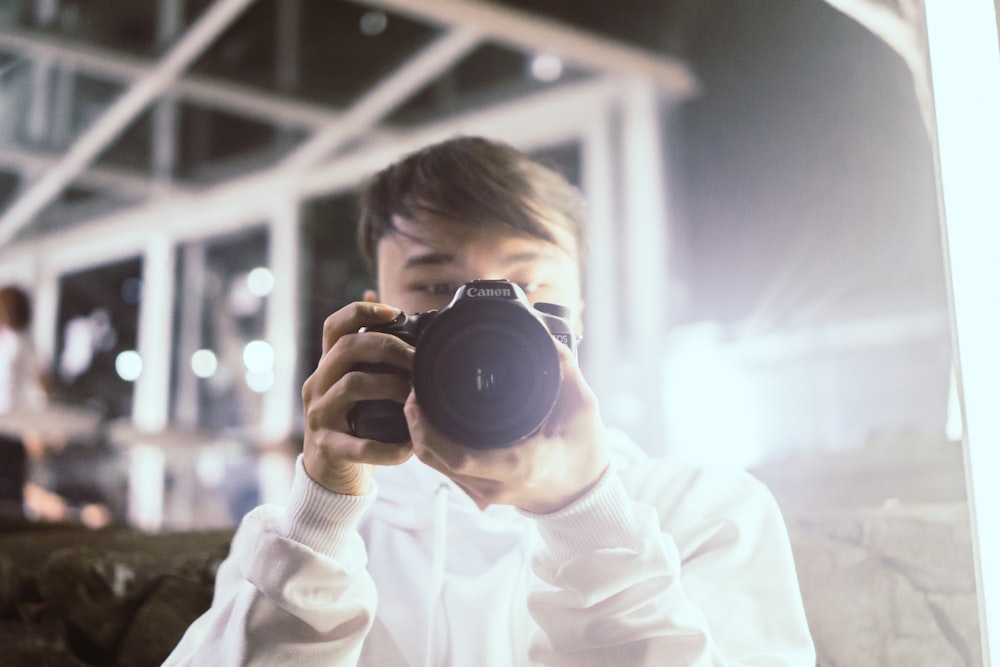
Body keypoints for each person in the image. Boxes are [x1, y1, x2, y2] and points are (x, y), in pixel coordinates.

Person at [165, 136, 815, 666]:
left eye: (527, 284)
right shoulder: (317, 533)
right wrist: (321, 510)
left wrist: (584, 514)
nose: (483, 321)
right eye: (436, 286)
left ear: (579, 310)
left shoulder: (704, 513)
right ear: (377, 311)